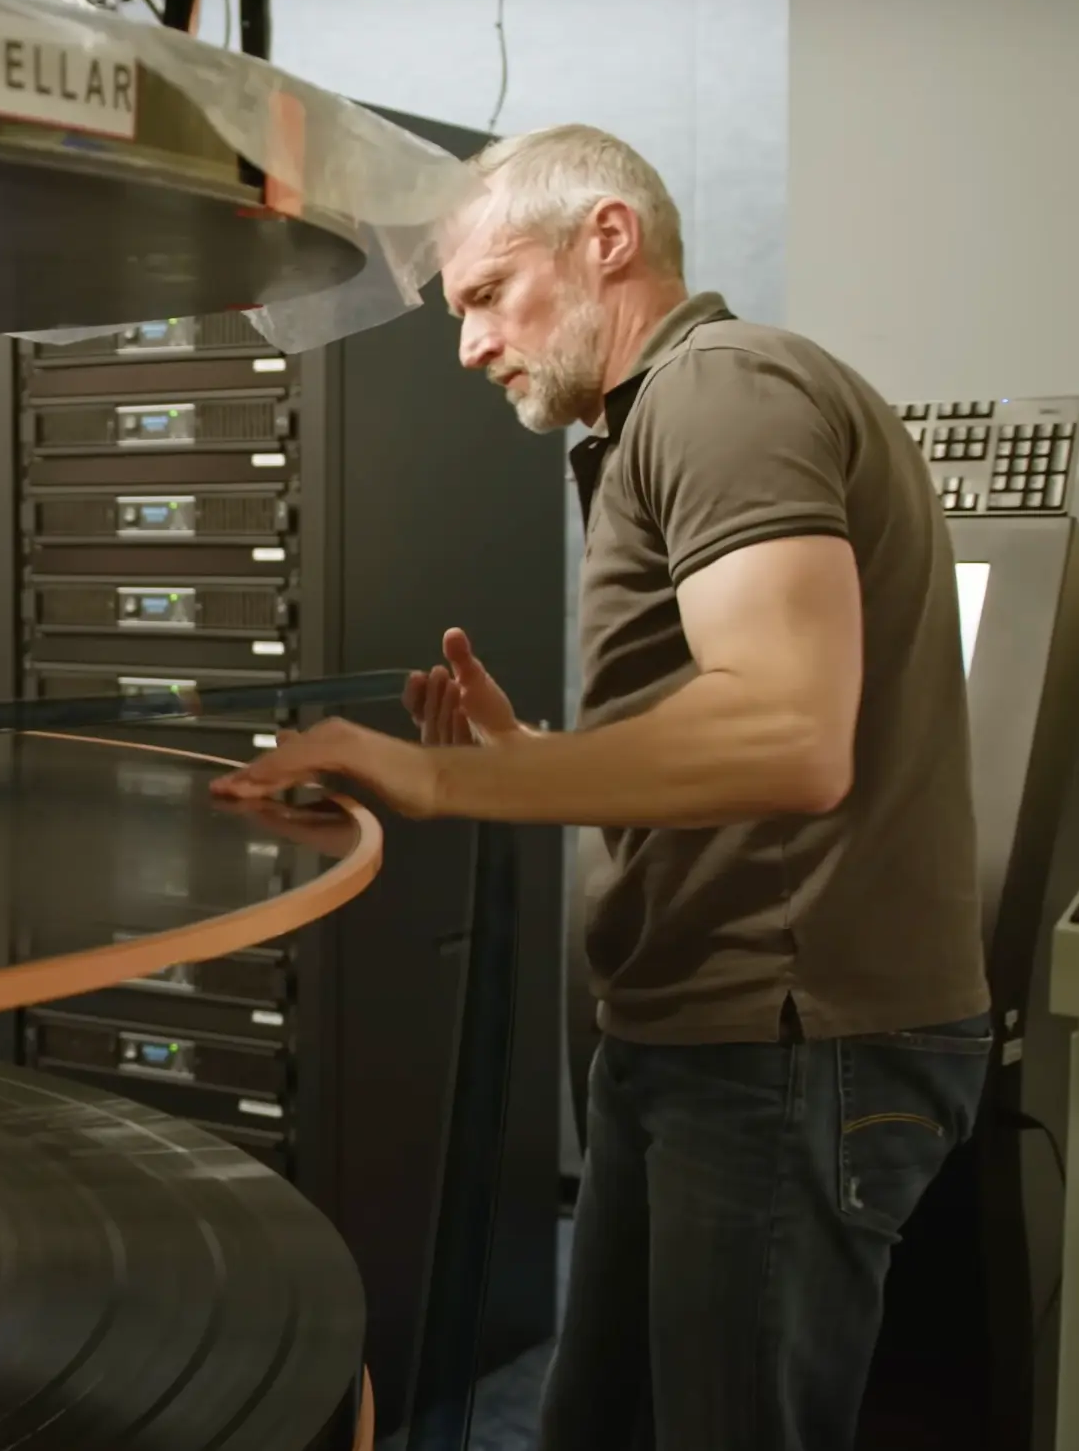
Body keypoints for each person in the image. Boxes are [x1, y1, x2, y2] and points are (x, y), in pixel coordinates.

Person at [214, 124, 992, 1451]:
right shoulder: (661, 421)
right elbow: (729, 741)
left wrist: (425, 780)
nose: (467, 345)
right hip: (700, 1044)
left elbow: (792, 733)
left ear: (609, 241)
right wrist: (528, 769)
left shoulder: (720, 394)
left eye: (485, 294)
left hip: (785, 1051)